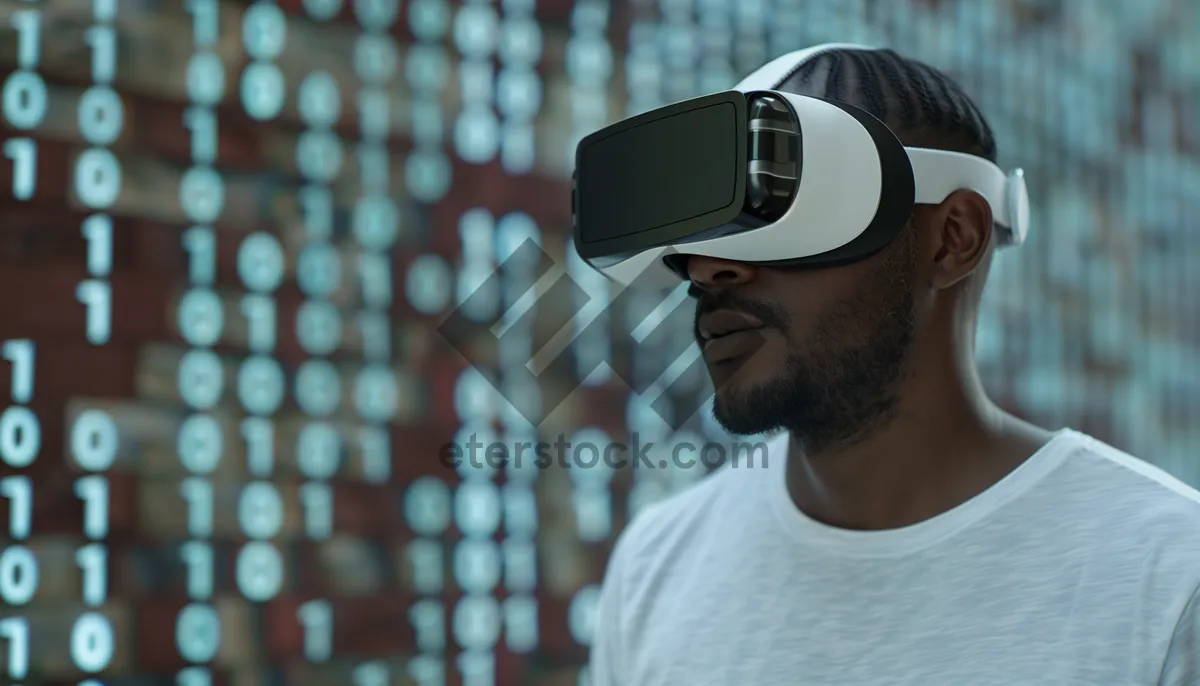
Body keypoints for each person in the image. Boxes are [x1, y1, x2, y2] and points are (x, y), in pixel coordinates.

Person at [586, 45, 1200, 685]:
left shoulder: (1168, 579)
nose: (709, 269)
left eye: (781, 209)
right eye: (701, 235)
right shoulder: (655, 572)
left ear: (955, 237)